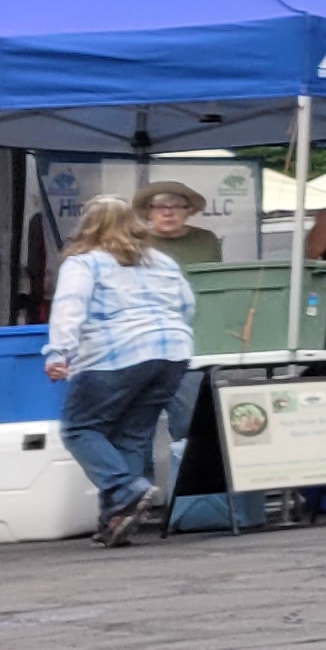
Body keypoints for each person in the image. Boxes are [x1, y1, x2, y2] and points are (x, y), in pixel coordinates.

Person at [43, 193, 200, 547]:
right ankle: (115, 520)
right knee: (131, 435)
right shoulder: (161, 260)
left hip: (115, 354)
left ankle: (123, 489)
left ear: (87, 226)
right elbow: (187, 305)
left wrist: (58, 353)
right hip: (172, 352)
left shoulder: (85, 263)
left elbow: (70, 307)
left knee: (80, 428)